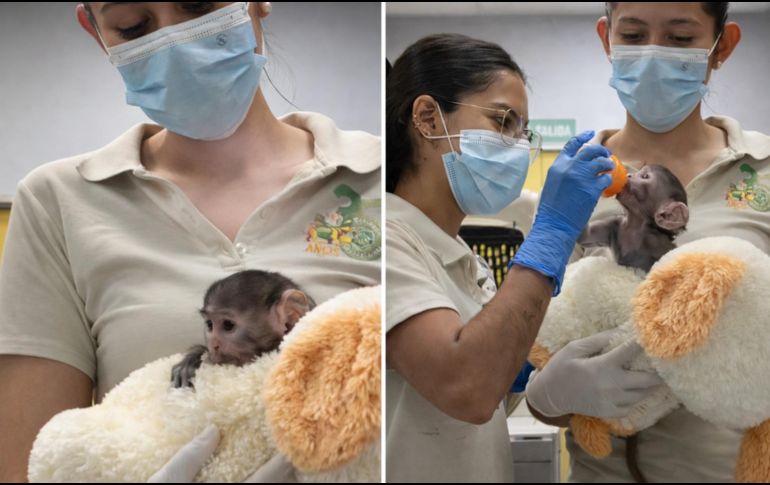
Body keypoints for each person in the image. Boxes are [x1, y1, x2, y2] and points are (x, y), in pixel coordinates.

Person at [0, 2, 380, 482]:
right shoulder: (58, 200)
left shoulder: (379, 176)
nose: (175, 41)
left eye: (200, 6)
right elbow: (29, 463)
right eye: (133, 26)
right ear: (97, 32)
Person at [385, 33, 653, 482]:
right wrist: (550, 234)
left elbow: (485, 391)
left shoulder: (469, 262)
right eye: (503, 121)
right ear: (429, 118)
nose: (517, 145)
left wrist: (536, 377)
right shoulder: (388, 244)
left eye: (522, 131)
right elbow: (468, 389)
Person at [526, 2, 770, 482]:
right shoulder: (575, 181)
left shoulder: (761, 170)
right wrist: (548, 394)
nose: (654, 54)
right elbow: (537, 340)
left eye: (680, 39)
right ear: (606, 40)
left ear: (723, 45)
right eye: (634, 36)